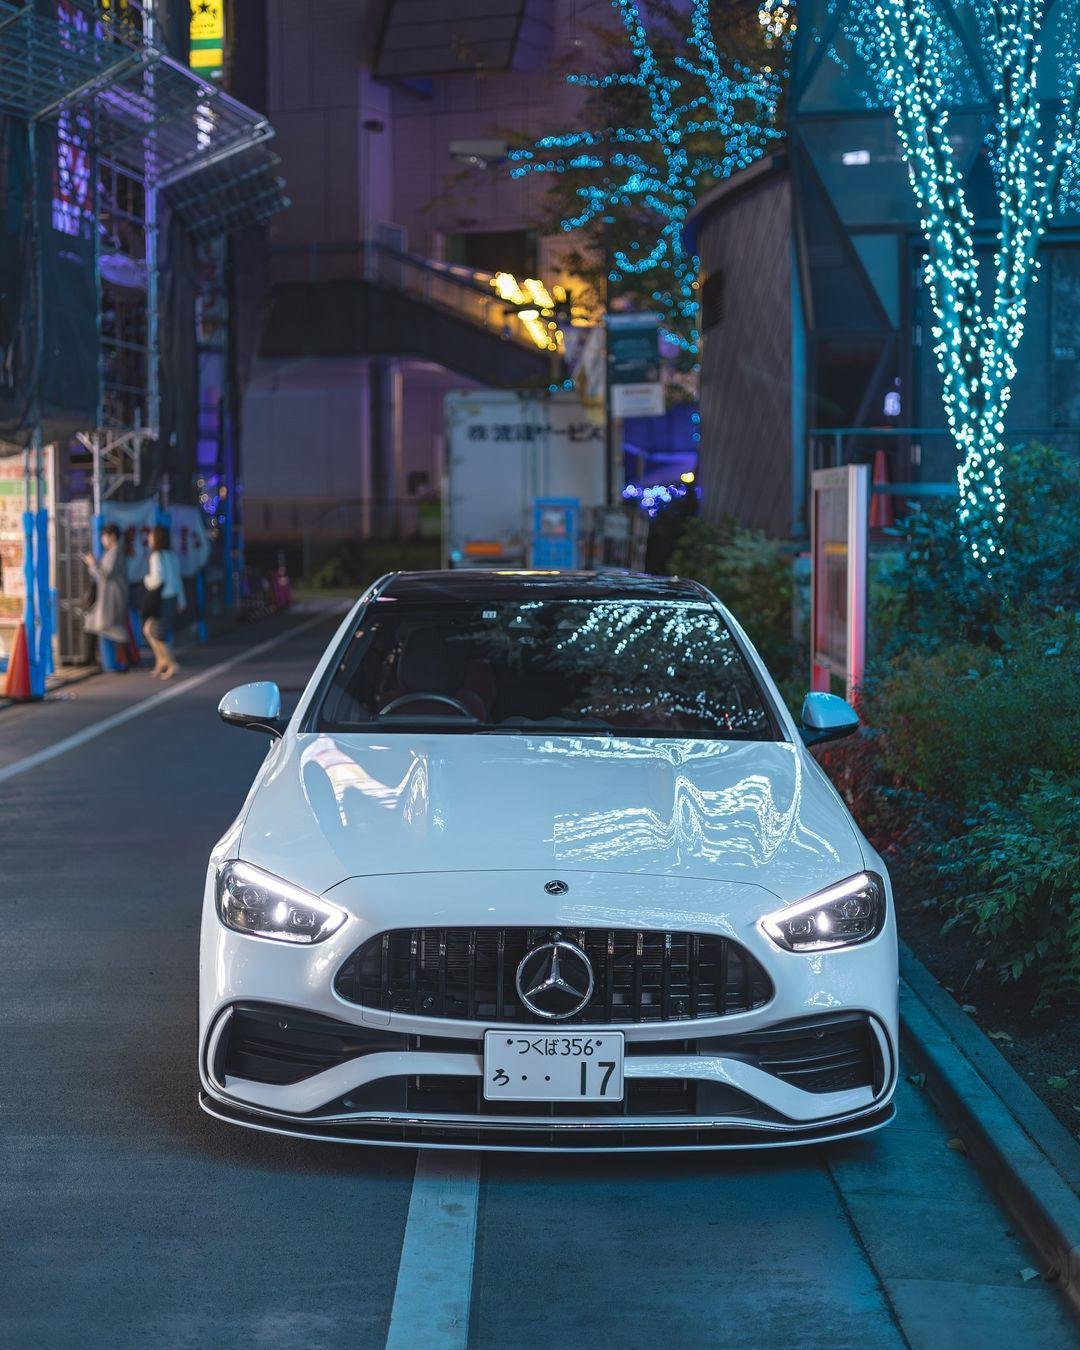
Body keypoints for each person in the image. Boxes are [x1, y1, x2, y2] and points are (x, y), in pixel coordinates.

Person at [83, 524, 131, 670]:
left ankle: (125, 660)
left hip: (112, 597)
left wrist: (92, 564)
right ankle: (93, 658)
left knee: (110, 626)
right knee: (94, 623)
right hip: (110, 596)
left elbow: (105, 574)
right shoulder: (113, 551)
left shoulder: (115, 552)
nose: (102, 539)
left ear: (112, 537)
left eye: (104, 536)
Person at [142, 524, 187, 679]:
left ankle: (171, 663)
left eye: (151, 536)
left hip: (162, 599)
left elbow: (157, 579)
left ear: (156, 539)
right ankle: (161, 661)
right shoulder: (172, 555)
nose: (149, 539)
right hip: (172, 597)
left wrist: (146, 580)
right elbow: (177, 578)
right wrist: (182, 599)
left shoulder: (156, 556)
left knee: (157, 632)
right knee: (150, 630)